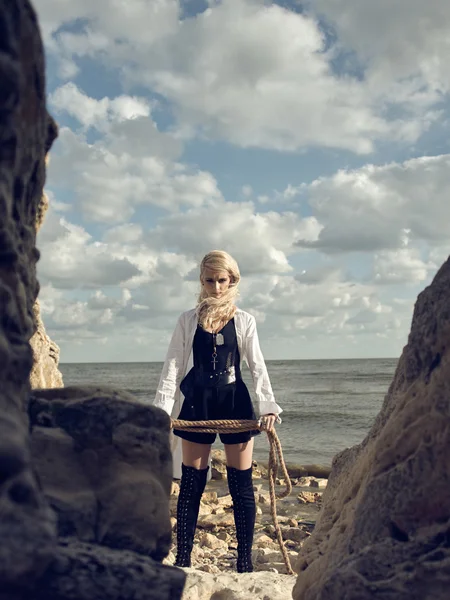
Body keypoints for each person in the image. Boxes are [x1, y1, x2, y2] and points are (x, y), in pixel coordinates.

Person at [154, 250, 282, 573]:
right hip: (198, 403)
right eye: (209, 280)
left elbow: (257, 367)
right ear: (202, 281)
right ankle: (183, 560)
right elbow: (172, 368)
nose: (215, 287)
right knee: (191, 485)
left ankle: (244, 563)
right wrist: (161, 411)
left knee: (240, 486)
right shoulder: (187, 320)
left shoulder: (244, 320)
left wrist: (268, 407)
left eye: (221, 280)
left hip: (234, 403)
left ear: (232, 280)